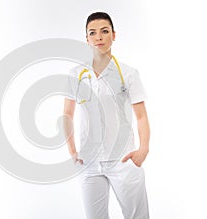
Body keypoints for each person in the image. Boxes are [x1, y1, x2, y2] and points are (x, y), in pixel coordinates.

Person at [63, 12, 150, 219]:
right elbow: (67, 114)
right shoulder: (76, 74)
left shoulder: (128, 74)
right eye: (92, 33)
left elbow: (141, 116)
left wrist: (143, 150)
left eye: (104, 31)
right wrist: (73, 150)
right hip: (89, 162)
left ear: (114, 35)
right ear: (87, 39)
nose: (99, 37)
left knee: (137, 216)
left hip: (123, 160)